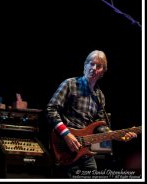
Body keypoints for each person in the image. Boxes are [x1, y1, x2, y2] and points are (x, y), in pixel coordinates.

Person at [45, 50, 137, 178]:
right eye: (91, 64)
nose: (93, 68)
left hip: (85, 150)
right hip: (64, 145)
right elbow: (51, 110)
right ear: (85, 66)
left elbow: (100, 126)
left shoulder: (100, 96)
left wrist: (117, 136)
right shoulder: (70, 84)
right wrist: (66, 134)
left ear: (102, 72)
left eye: (98, 66)